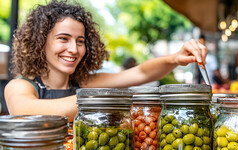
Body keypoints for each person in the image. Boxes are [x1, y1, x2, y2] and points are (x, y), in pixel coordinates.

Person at [5, 0, 207, 121]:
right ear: (41, 42)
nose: (74, 49)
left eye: (80, 41)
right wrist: (107, 98)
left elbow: (140, 73)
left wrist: (175, 58)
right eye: (63, 39)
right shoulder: (21, 86)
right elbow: (25, 111)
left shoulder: (83, 84)